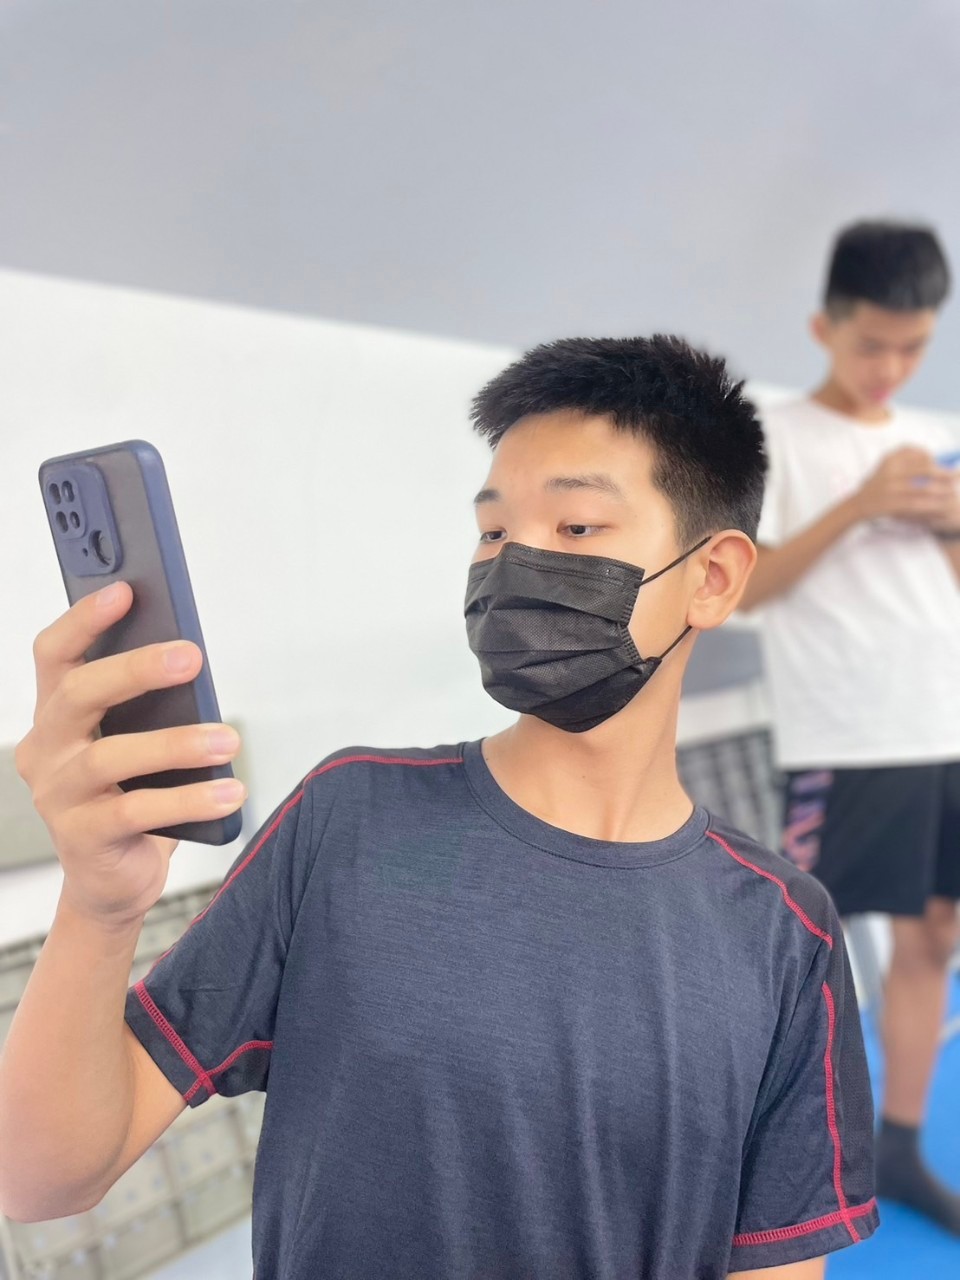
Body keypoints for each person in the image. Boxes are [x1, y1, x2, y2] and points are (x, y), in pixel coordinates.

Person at [0, 337, 877, 1279]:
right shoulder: (347, 821)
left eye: (578, 527)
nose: (515, 563)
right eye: (494, 532)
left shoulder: (783, 934)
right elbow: (39, 1179)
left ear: (713, 578)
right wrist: (99, 906)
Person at [741, 221, 960, 1234]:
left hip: (944, 727)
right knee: (802, 958)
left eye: (914, 347)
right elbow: (748, 588)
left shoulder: (932, 435)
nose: (892, 368)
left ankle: (902, 1147)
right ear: (823, 328)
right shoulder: (772, 434)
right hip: (847, 734)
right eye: (873, 344)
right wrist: (861, 505)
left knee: (937, 937)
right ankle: (770, 1171)